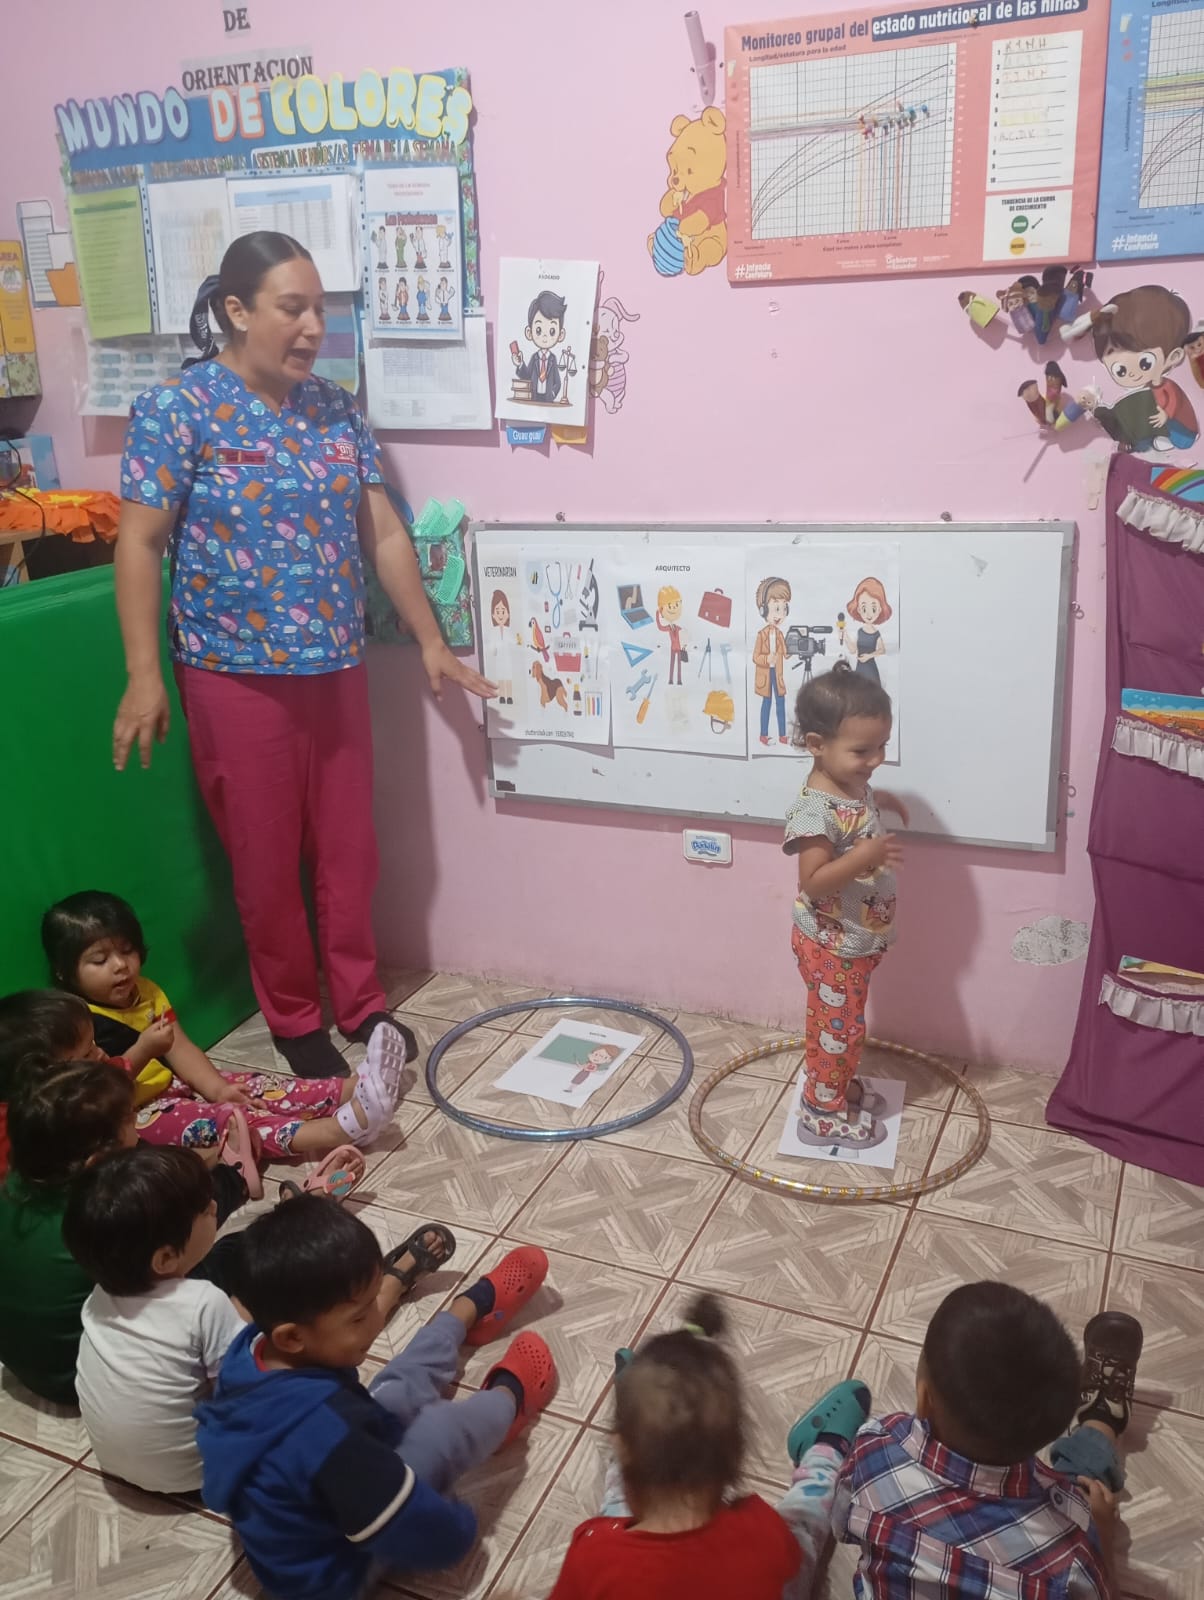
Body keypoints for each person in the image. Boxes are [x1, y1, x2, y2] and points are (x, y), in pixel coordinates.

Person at [111, 232, 494, 1081]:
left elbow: (382, 530)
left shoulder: (334, 409)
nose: (314, 327)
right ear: (236, 311)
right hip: (232, 672)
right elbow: (138, 543)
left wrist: (431, 640)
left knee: (350, 849)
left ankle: (360, 1000)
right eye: (293, 308)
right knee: (265, 858)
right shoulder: (179, 409)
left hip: (333, 663)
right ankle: (292, 1014)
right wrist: (143, 674)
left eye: (320, 309)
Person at [196, 1198, 556, 1600]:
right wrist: (459, 1531)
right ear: (293, 1336)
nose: (377, 1319)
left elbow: (336, 1424)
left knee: (400, 1383)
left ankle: (465, 1314)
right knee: (441, 1430)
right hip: (337, 1571)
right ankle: (510, 1399)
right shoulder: (328, 1438)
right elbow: (406, 1523)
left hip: (328, 1477)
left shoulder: (251, 1352)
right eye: (359, 1316)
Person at [61, 1143, 452, 1494]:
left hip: (116, 1463)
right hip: (202, 1472)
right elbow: (258, 1380)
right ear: (165, 1258)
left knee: (237, 1268)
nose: (215, 1206)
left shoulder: (97, 1298)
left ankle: (296, 1221)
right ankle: (389, 1284)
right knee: (305, 1327)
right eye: (204, 1208)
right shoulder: (201, 1303)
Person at [43, 890, 402, 1164]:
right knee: (228, 1121)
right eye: (100, 960)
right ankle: (335, 1131)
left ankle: (353, 1088)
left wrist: (216, 1088)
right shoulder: (77, 1024)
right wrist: (144, 1052)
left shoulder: (146, 991)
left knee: (253, 1086)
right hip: (134, 1117)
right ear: (64, 971)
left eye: (126, 951)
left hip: (175, 1084)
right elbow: (94, 1096)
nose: (120, 966)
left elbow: (180, 1046)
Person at [834, 1283, 1144, 1600]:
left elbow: (840, 1521)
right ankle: (1102, 1418)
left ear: (924, 1397)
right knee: (1086, 1483)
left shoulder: (876, 1443)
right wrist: (1102, 1535)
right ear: (1049, 1428)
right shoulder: (1072, 1541)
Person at [549, 1294, 870, 1599]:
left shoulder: (591, 1556)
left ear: (620, 1445)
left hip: (614, 1545)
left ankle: (639, 1417)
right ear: (735, 1454)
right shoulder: (760, 1532)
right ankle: (827, 1449)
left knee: (616, 1512)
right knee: (801, 1528)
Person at [784, 664, 907, 1148]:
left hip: (854, 940)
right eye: (862, 751)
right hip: (830, 947)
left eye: (881, 747)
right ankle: (821, 1111)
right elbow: (813, 882)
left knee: (844, 1028)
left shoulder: (849, 784)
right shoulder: (815, 810)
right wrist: (862, 856)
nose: (875, 760)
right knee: (837, 1032)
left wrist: (878, 799)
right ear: (817, 744)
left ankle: (833, 1087)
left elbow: (855, 813)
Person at [0, 1059, 138, 1402]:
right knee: (216, 1263)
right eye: (132, 1119)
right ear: (98, 1162)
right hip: (84, 1381)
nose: (138, 1126)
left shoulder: (14, 1184)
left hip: (24, 1366)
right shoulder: (104, 1216)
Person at [1079, 285, 1200, 453]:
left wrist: (1166, 414)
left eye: (1145, 363)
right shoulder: (1145, 391)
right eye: (1120, 370)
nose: (1131, 373)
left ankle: (1153, 439)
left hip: (1181, 432)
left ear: (1173, 357)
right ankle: (1134, 440)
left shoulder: (1165, 385)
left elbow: (1174, 401)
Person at [753, 576, 791, 746]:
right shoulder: (761, 635)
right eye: (776, 608)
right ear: (763, 610)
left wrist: (796, 647)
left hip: (778, 674)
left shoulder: (781, 635)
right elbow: (755, 657)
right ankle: (763, 735)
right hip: (766, 674)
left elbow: (786, 654)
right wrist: (766, 659)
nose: (780, 614)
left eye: (784, 608)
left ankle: (782, 735)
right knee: (767, 704)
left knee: (781, 703)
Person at [512, 290, 567, 403]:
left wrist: (553, 393)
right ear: (529, 332)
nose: (545, 336)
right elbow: (527, 376)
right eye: (538, 330)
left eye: (552, 331)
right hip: (534, 397)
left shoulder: (552, 359)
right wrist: (520, 364)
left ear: (560, 335)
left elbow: (557, 382)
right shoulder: (535, 357)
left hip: (548, 398)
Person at [844, 576, 891, 685]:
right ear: (859, 609)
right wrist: (845, 635)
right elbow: (853, 650)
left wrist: (868, 656)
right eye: (864, 608)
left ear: (879, 609)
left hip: (871, 669)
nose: (869, 614)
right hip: (860, 669)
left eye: (873, 609)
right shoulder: (859, 632)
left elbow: (882, 650)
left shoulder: (876, 634)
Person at [655, 584, 687, 686]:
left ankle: (679, 680)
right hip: (673, 648)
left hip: (679, 648)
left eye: (677, 605)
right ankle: (670, 679)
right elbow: (660, 627)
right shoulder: (669, 627)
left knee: (679, 664)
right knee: (672, 664)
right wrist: (657, 615)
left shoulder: (679, 628)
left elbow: (685, 635)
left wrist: (685, 645)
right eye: (669, 606)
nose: (673, 608)